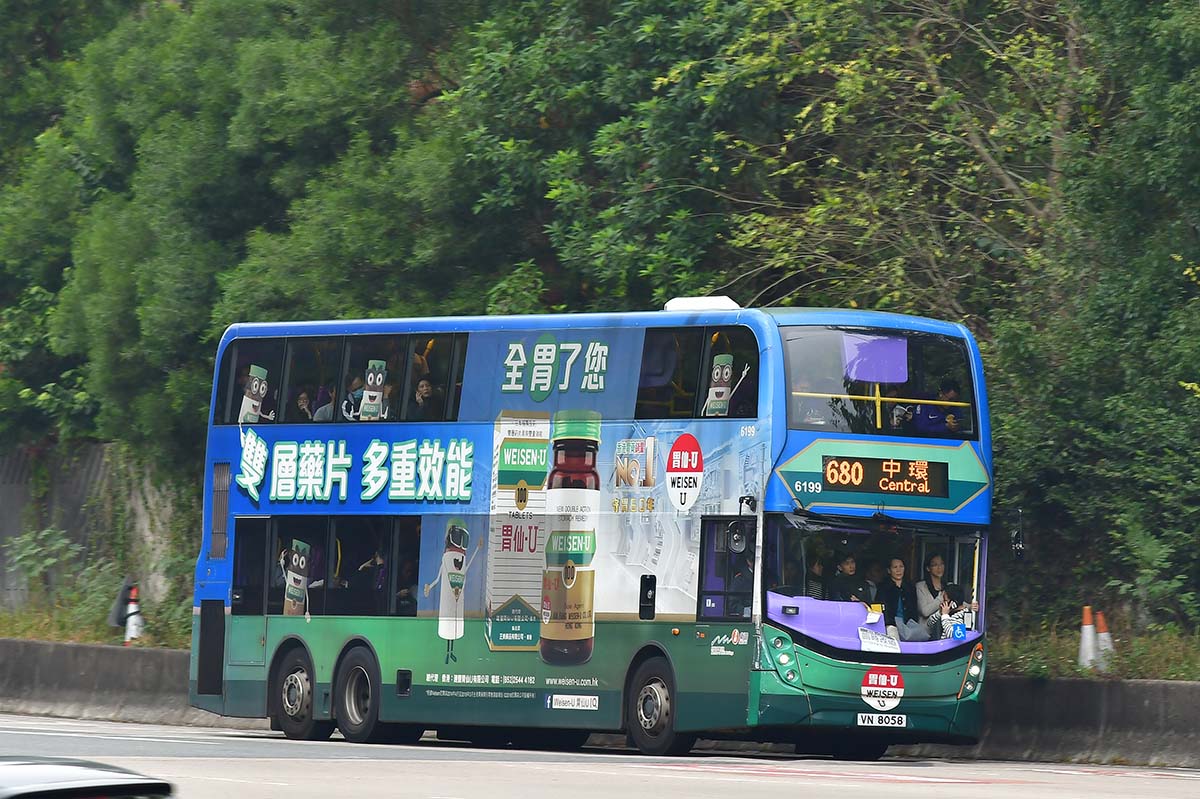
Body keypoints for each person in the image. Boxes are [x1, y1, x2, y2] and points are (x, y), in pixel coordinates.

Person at [877, 557, 928, 641]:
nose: (898, 570)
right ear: (889, 570)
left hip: (909, 625)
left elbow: (914, 608)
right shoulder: (883, 587)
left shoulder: (910, 586)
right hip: (891, 625)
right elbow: (879, 607)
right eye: (895, 567)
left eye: (901, 566)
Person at [916, 552, 948, 624]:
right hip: (925, 633)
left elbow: (959, 601)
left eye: (941, 564)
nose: (939, 567)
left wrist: (970, 606)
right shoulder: (920, 586)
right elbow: (925, 611)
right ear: (928, 568)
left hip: (945, 631)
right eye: (935, 565)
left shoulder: (948, 586)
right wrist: (941, 598)